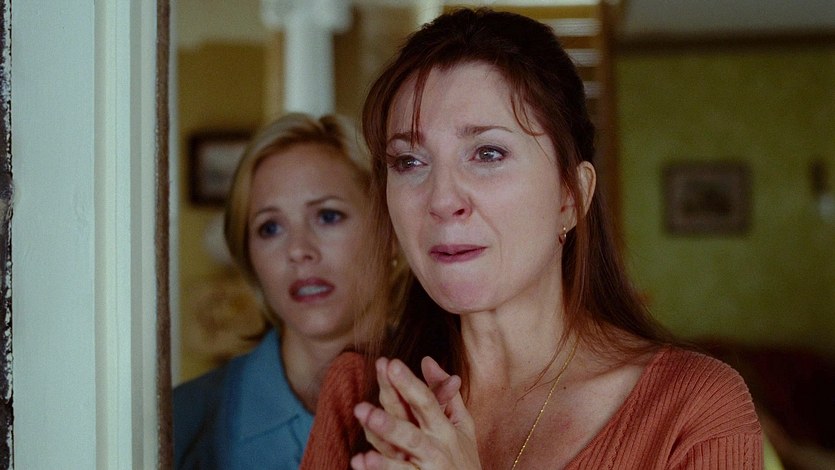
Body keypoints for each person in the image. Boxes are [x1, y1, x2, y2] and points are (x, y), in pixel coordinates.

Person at [301, 8, 763, 470]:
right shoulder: (357, 393)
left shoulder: (697, 409)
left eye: (488, 153)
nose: (441, 200)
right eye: (409, 161)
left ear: (571, 196)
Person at [173, 112, 404, 469]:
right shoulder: (182, 421)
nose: (298, 250)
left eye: (327, 216)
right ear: (249, 257)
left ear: (389, 232)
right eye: (270, 228)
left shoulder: (453, 397)